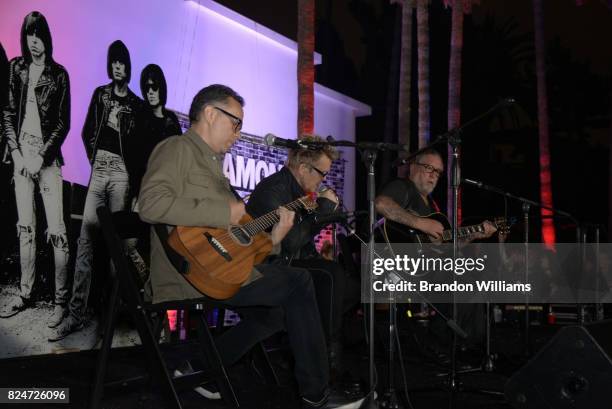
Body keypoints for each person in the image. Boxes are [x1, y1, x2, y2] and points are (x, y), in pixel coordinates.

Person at [138, 84, 364, 409]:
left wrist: (273, 239)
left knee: (276, 314)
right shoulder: (177, 149)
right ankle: (318, 395)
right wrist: (223, 211)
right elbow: (150, 204)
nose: (238, 133)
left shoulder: (214, 166)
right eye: (236, 123)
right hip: (187, 272)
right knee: (301, 282)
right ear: (211, 113)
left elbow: (238, 236)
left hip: (219, 267)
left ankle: (201, 366)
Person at [50, 40, 143, 340]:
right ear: (111, 65)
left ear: (128, 66)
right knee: (86, 241)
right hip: (99, 169)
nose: (118, 67)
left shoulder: (136, 104)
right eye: (114, 62)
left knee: (116, 246)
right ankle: (76, 313)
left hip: (121, 175)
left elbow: (138, 148)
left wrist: (127, 172)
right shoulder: (100, 95)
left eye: (122, 62)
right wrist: (95, 160)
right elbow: (87, 130)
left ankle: (110, 316)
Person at [246, 137, 360, 375]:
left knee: (354, 289)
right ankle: (324, 365)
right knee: (331, 276)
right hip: (272, 263)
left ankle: (300, 348)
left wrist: (324, 209)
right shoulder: (272, 190)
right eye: (322, 174)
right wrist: (324, 210)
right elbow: (289, 242)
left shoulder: (301, 192)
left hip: (297, 261)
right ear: (304, 168)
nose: (323, 181)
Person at [0, 12, 71, 324]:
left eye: (40, 37)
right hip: (21, 152)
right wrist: (16, 153)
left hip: (47, 157)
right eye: (30, 36)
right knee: (25, 229)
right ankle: (24, 293)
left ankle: (61, 302)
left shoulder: (59, 75)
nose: (35, 43)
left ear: (47, 39)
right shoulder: (16, 68)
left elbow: (62, 124)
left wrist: (40, 157)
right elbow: (6, 112)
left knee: (57, 232)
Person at [125, 63, 181, 205]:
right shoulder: (140, 117)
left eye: (154, 87)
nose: (150, 92)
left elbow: (179, 157)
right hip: (142, 189)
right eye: (147, 88)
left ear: (161, 88)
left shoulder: (172, 120)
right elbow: (132, 158)